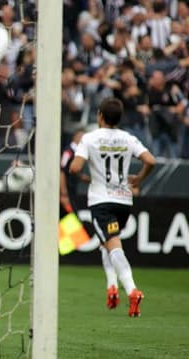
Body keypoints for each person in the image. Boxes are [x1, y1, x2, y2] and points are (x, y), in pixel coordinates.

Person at [70, 97, 155, 317]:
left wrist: (83, 175)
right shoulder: (128, 138)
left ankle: (132, 289)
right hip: (124, 202)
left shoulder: (89, 138)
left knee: (113, 246)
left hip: (101, 201)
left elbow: (74, 167)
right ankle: (112, 286)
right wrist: (139, 179)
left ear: (99, 116)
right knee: (106, 244)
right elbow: (150, 161)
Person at [60, 129, 90, 218]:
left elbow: (73, 172)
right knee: (71, 215)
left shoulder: (77, 153)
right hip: (67, 191)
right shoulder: (68, 152)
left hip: (72, 190)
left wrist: (86, 179)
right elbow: (62, 171)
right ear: (77, 138)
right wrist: (64, 193)